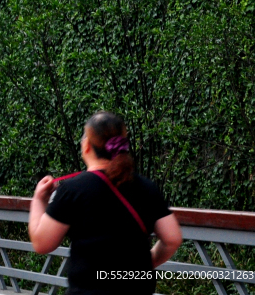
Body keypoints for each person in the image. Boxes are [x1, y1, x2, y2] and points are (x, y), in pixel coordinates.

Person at [28, 111, 183, 295]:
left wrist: (39, 201)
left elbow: (42, 243)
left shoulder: (73, 190)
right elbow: (172, 239)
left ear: (86, 146)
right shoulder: (146, 187)